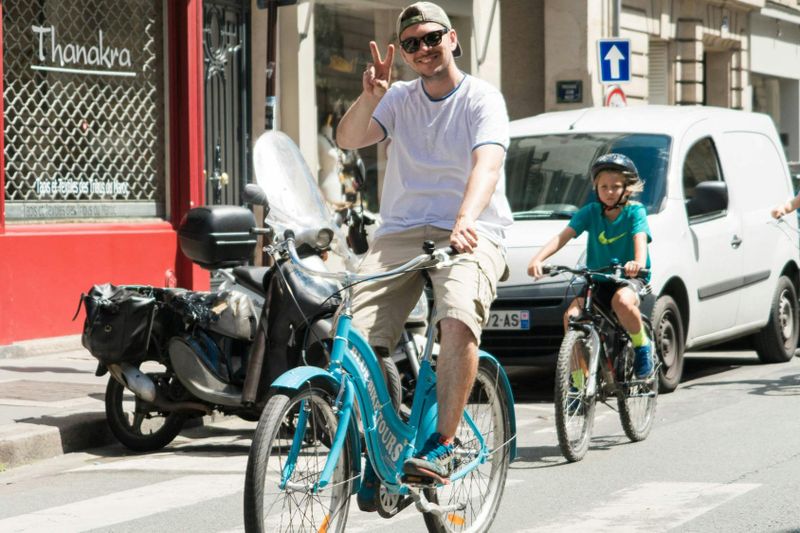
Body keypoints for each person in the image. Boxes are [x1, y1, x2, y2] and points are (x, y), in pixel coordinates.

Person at [335, 0, 512, 504]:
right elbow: (349, 139)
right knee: (354, 337)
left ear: (452, 38)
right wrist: (370, 97)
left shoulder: (482, 98)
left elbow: (488, 164)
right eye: (411, 43)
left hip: (470, 230)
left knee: (456, 318)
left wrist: (465, 218)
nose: (423, 49)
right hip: (401, 232)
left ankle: (443, 445)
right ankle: (380, 445)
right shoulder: (398, 99)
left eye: (432, 38)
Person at [527, 153, 655, 380]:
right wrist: (538, 259)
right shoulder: (591, 212)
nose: (609, 192)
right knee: (572, 316)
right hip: (598, 279)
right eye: (603, 186)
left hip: (629, 278)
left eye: (615, 187)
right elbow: (562, 237)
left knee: (622, 302)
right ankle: (578, 379)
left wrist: (636, 262)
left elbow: (640, 238)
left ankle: (641, 345)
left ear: (628, 188)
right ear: (596, 187)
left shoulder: (635, 212)